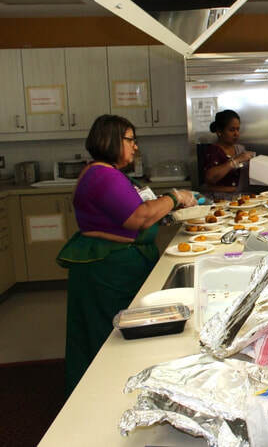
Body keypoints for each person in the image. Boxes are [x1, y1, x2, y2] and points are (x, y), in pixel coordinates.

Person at [57, 115, 195, 396]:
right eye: (130, 140)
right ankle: (99, 394)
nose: (135, 146)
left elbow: (138, 211)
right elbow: (138, 218)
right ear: (110, 140)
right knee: (107, 337)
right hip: (107, 269)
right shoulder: (101, 175)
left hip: (120, 264)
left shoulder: (112, 173)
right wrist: (175, 197)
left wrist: (166, 212)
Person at [203, 110, 255, 198]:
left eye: (238, 129)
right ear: (219, 132)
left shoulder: (240, 149)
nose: (236, 134)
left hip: (242, 197)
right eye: (231, 130)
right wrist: (235, 161)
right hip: (220, 199)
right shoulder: (213, 151)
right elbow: (210, 178)